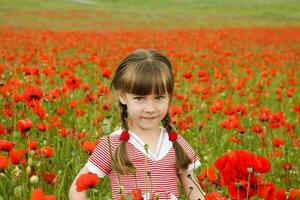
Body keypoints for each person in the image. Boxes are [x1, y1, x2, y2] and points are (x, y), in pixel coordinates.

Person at [69, 49, 205, 200]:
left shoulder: (176, 143)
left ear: (169, 97)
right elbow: (77, 188)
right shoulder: (112, 144)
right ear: (122, 96)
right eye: (140, 98)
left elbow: (196, 194)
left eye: (159, 97)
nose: (150, 108)